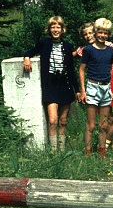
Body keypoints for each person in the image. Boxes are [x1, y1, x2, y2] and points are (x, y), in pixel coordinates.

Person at [23, 15, 81, 152]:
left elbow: (71, 70)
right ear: (49, 29)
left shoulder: (67, 46)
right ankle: (53, 152)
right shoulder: (44, 43)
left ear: (62, 29)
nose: (55, 29)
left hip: (65, 85)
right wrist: (26, 58)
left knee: (63, 121)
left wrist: (77, 89)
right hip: (50, 85)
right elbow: (30, 51)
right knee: (53, 120)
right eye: (53, 27)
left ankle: (61, 150)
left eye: (58, 27)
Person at [78, 21, 113, 154]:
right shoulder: (88, 50)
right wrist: (82, 91)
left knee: (104, 124)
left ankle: (102, 153)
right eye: (100, 32)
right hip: (93, 87)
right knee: (91, 125)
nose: (102, 35)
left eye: (105, 33)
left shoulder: (110, 50)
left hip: (106, 88)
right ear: (96, 32)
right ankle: (88, 152)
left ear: (109, 35)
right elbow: (82, 70)